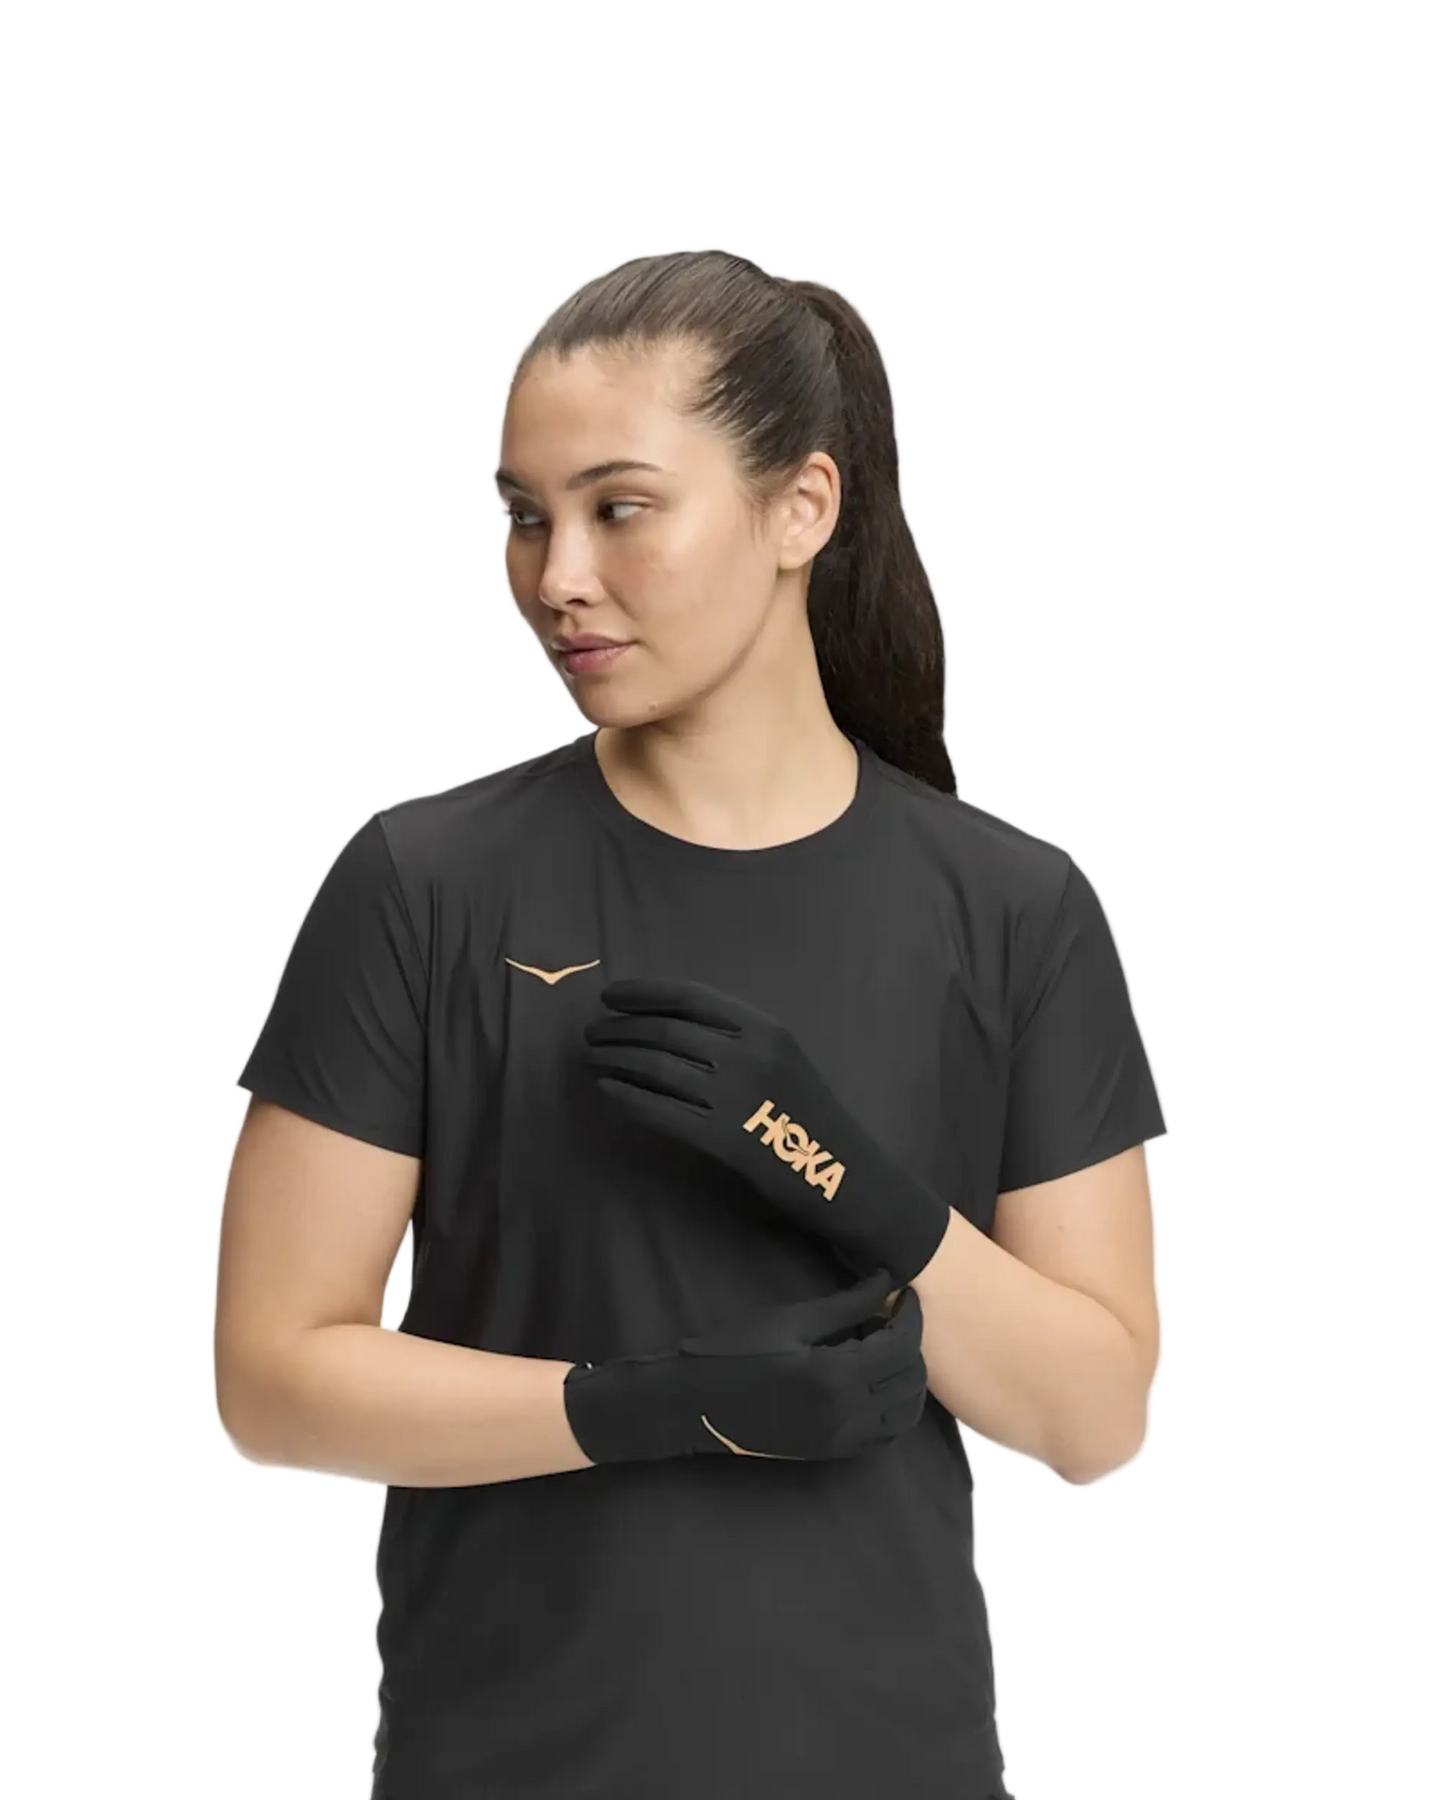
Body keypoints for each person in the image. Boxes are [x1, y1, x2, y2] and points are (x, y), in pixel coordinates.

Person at [216, 248, 1167, 1800]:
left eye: (620, 508)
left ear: (802, 508)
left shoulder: (1011, 909)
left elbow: (1094, 1414)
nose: (556, 575)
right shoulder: (424, 885)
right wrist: (653, 1408)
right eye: (526, 515)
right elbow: (271, 1377)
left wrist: (842, 1176)